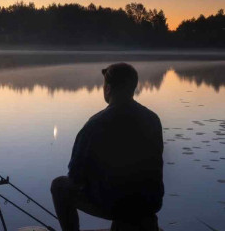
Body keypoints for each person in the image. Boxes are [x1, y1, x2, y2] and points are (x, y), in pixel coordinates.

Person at [51, 63, 164, 231]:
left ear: (108, 89)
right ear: (133, 87)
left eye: (104, 85)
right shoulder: (152, 119)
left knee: (60, 186)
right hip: (150, 203)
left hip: (117, 205)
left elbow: (75, 176)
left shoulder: (96, 124)